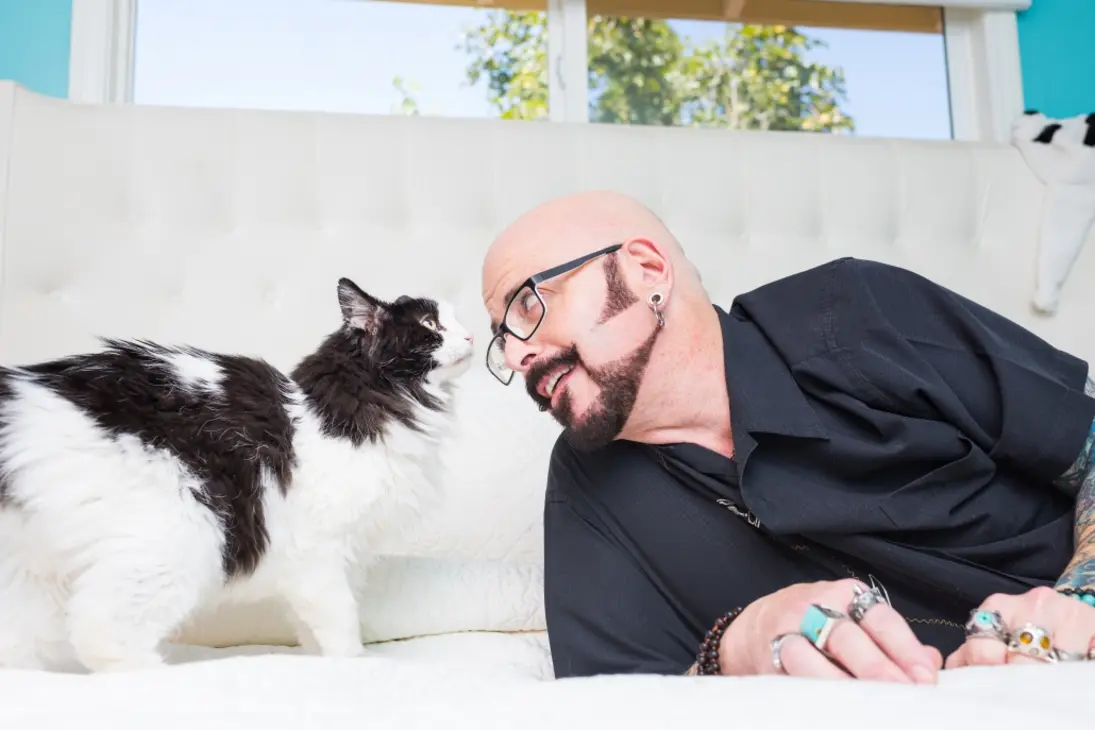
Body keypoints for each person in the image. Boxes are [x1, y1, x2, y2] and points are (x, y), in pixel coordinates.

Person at [480, 190, 1095, 684]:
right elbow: (620, 705)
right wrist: (735, 649)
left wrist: (1077, 601)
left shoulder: (852, 313)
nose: (514, 354)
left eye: (529, 306)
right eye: (500, 339)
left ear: (646, 271)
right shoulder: (584, 489)